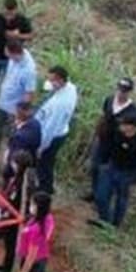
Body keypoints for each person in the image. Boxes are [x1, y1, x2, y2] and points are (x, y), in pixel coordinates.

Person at [83, 77, 136, 202]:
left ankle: (103, 198)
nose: (121, 93)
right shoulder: (109, 100)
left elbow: (131, 132)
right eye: (119, 89)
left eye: (124, 91)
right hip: (102, 141)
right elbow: (103, 117)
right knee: (95, 167)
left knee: (108, 173)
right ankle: (94, 192)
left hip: (117, 147)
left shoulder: (133, 113)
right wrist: (96, 135)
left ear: (129, 92)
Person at [92, 114, 136, 228]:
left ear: (132, 127)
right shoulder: (117, 134)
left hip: (127, 173)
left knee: (121, 200)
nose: (121, 125)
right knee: (100, 195)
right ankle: (105, 220)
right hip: (111, 168)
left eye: (124, 124)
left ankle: (115, 225)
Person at [0, 150, 37, 272]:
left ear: (20, 165)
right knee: (8, 244)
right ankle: (5, 266)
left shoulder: (24, 183)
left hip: (16, 219)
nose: (12, 165)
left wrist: (9, 212)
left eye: (14, 163)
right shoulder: (23, 177)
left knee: (12, 245)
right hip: (13, 215)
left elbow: (20, 201)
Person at [0, 40, 36, 156]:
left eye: (9, 55)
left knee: (11, 134)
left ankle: (8, 157)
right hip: (3, 101)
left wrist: (22, 113)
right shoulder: (13, 59)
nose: (8, 58)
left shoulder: (29, 70)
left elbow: (29, 93)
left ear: (15, 53)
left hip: (14, 108)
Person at [34, 66, 78, 194]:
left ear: (61, 80)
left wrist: (41, 146)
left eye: (52, 80)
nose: (50, 82)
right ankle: (47, 185)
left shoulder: (60, 104)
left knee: (44, 163)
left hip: (53, 136)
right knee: (48, 162)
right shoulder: (70, 88)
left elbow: (50, 128)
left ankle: (44, 188)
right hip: (59, 131)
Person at [0, 0, 34, 107]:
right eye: (6, 13)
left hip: (13, 59)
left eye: (11, 14)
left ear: (16, 10)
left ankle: (3, 102)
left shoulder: (22, 20)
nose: (8, 16)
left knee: (8, 82)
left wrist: (18, 36)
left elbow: (30, 35)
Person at [3, 101, 42, 180]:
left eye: (18, 112)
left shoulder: (27, 130)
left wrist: (17, 128)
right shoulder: (34, 123)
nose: (16, 114)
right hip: (28, 157)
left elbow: (18, 142)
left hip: (22, 158)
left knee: (12, 174)